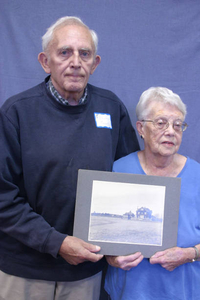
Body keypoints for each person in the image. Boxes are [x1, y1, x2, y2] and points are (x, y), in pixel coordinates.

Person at [0, 16, 140, 300]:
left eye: (84, 53)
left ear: (95, 63)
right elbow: (3, 197)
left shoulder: (111, 108)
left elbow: (129, 184)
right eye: (64, 52)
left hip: (86, 272)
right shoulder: (16, 112)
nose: (75, 61)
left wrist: (118, 244)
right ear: (45, 61)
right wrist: (57, 243)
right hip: (24, 271)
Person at [105, 87, 200, 300]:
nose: (170, 131)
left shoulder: (198, 175)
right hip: (131, 291)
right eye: (161, 123)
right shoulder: (118, 170)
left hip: (184, 290)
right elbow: (101, 235)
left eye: (178, 125)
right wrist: (111, 258)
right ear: (141, 128)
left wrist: (188, 254)